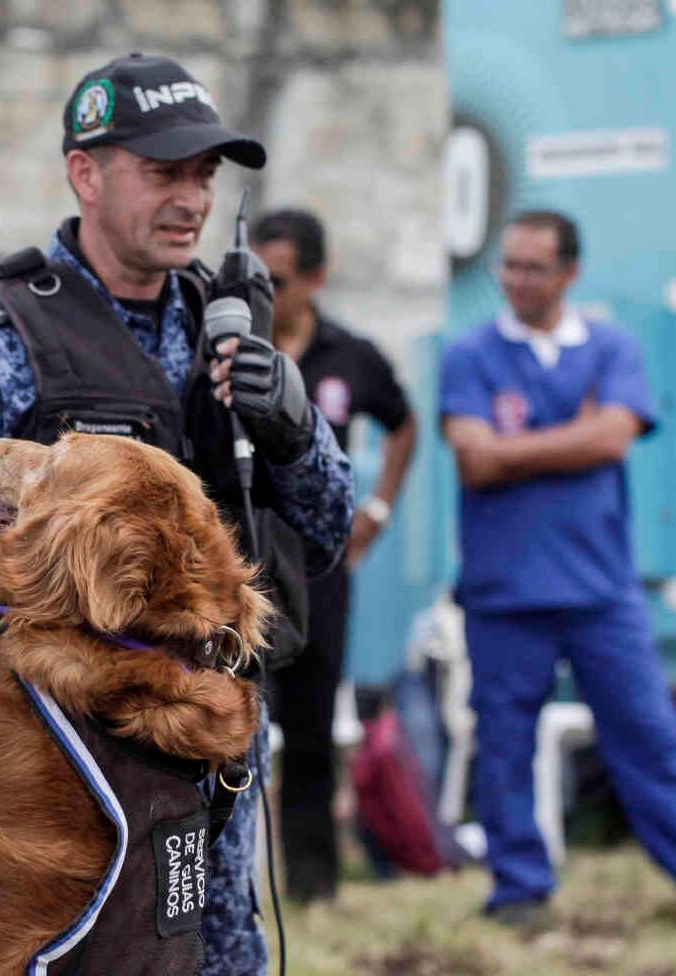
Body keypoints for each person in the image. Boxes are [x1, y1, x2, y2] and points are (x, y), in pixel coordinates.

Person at [0, 53, 354, 975]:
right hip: (61, 762)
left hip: (208, 749)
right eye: (164, 172)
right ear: (86, 172)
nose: (191, 197)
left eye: (203, 174)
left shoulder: (231, 326)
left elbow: (329, 528)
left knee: (208, 949)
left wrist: (291, 427)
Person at [439, 210, 676, 925]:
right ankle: (519, 891)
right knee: (504, 745)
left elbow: (615, 440)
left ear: (570, 273)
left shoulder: (611, 346)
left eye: (534, 267)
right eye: (510, 265)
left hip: (599, 588)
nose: (517, 281)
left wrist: (516, 447)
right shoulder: (469, 354)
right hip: (504, 590)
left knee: (652, 736)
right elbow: (472, 457)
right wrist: (575, 435)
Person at [252, 207, 417, 903]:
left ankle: (314, 886)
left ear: (314, 278)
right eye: (252, 276)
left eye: (278, 278)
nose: (263, 291)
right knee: (223, 728)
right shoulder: (226, 352)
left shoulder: (350, 355)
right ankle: (230, 889)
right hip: (240, 567)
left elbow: (405, 423)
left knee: (313, 730)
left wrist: (374, 510)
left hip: (318, 567)